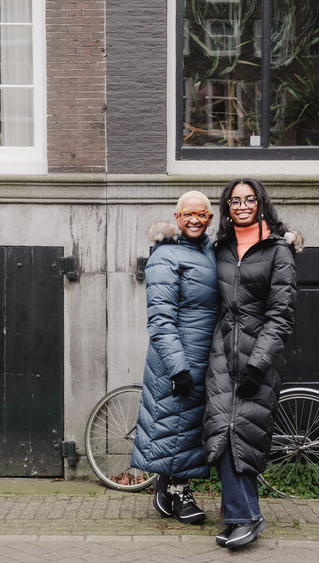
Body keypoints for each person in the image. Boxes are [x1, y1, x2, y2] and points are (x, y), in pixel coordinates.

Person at [203, 178, 298, 550]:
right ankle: (238, 516)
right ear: (227, 207)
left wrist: (258, 364)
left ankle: (247, 517)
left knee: (241, 429)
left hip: (257, 354)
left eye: (249, 199)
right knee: (222, 430)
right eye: (234, 200)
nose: (242, 205)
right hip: (221, 353)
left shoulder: (278, 251)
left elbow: (281, 315)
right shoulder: (220, 248)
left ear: (260, 203)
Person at [129, 190, 219, 525]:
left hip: (204, 354)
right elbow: (160, 319)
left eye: (202, 214)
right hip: (177, 358)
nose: (195, 220)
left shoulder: (211, 251)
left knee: (186, 426)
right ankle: (179, 493)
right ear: (177, 217)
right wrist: (178, 367)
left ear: (210, 219)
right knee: (177, 424)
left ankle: (166, 488)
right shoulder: (165, 256)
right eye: (187, 214)